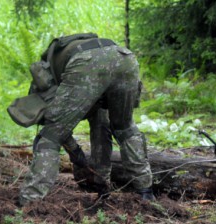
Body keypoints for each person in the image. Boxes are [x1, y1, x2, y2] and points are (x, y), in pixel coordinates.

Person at [17, 33, 154, 206]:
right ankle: (145, 192)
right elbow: (101, 124)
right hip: (124, 57)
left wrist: (75, 153)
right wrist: (88, 166)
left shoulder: (46, 79)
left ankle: (30, 200)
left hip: (87, 63)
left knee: (50, 136)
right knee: (125, 127)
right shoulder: (72, 55)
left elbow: (55, 126)